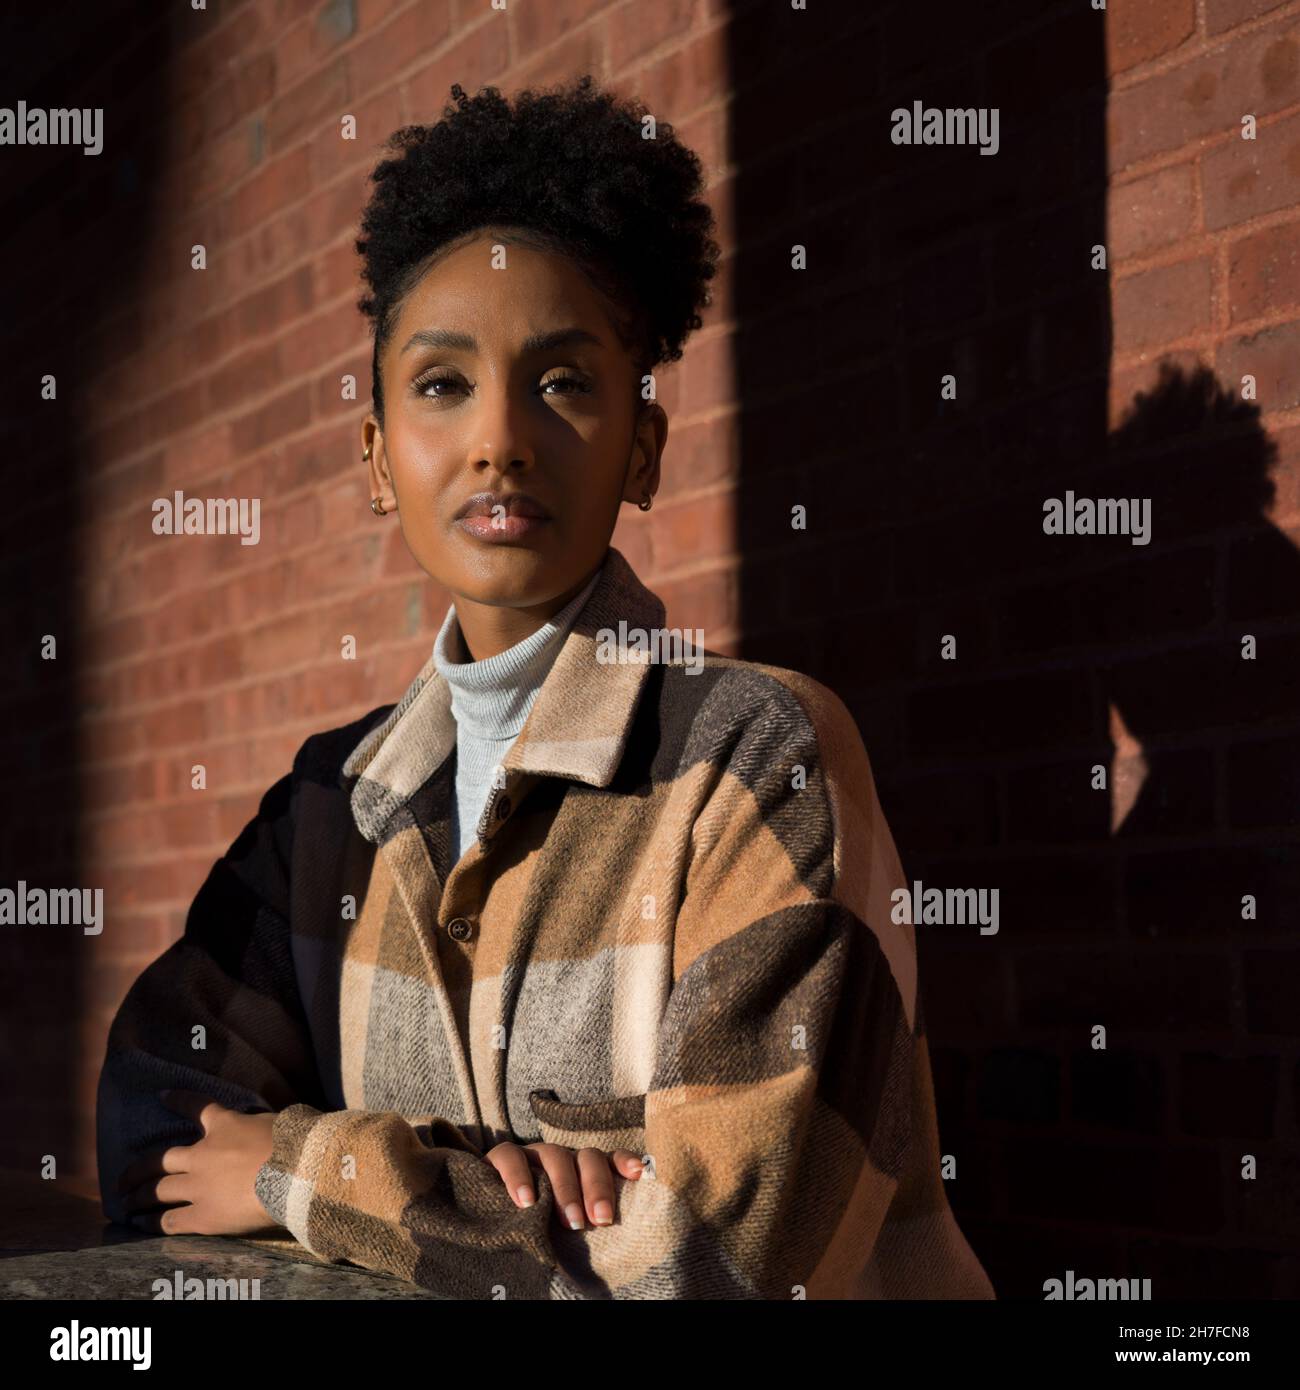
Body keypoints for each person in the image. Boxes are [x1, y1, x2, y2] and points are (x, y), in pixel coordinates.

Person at [96, 75, 995, 1300]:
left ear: (642, 446)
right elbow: (157, 1135)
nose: (500, 439)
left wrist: (311, 1168)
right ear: (374, 456)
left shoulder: (757, 756)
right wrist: (497, 1185)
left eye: (565, 381)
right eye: (440, 383)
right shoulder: (328, 808)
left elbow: (724, 1257)